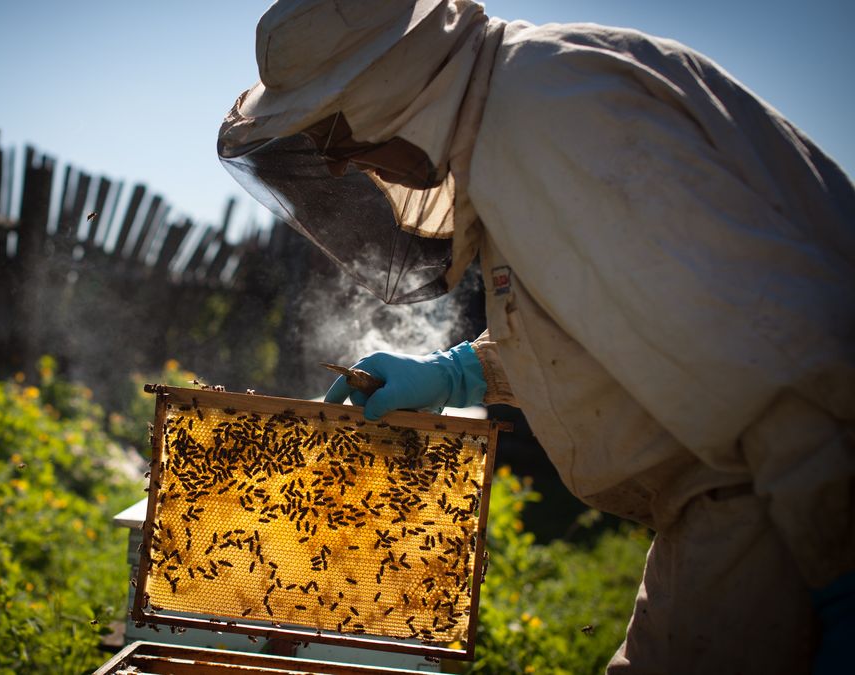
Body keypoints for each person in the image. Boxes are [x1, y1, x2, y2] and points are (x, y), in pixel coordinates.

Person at [216, 1, 854, 672]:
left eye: (335, 135)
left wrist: (842, 568)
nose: (342, 167)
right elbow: (616, 323)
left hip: (791, 510)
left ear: (388, 91)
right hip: (733, 509)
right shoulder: (514, 112)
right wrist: (459, 373)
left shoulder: (552, 114)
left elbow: (780, 352)